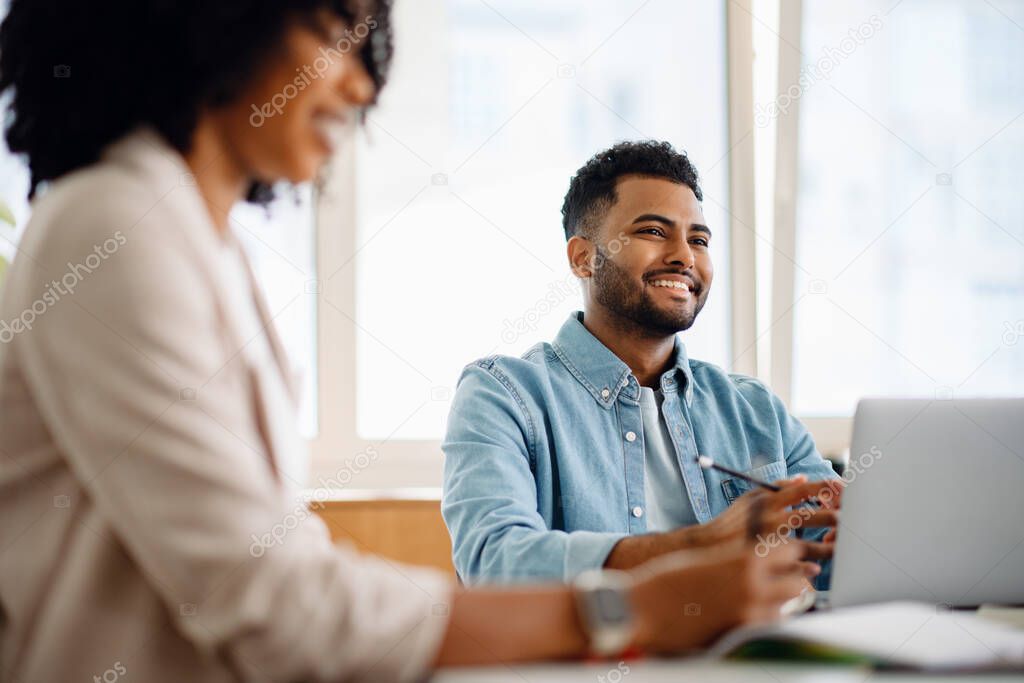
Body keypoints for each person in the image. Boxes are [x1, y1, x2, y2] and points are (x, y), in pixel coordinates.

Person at [0, 2, 820, 681]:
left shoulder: (199, 244)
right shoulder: (114, 224)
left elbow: (280, 558)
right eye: (331, 31)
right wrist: (641, 605)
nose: (360, 82)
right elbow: (272, 601)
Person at [442, 141, 841, 586]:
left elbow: (835, 560)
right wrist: (706, 544)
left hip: (753, 652)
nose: (685, 257)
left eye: (699, 240)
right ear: (582, 257)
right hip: (601, 654)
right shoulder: (502, 395)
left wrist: (873, 532)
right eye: (653, 231)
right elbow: (495, 563)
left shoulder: (755, 408)